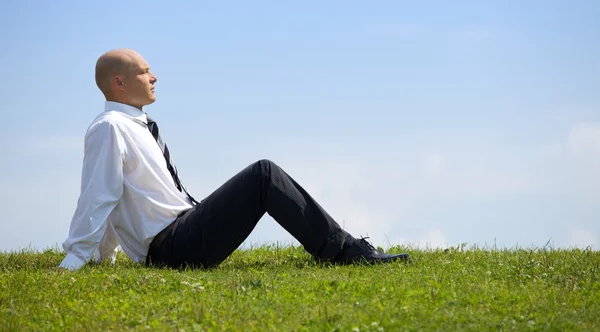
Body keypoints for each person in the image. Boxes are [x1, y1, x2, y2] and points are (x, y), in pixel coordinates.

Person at [58, 48, 410, 271]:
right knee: (263, 175)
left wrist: (105, 256)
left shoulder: (135, 125)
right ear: (118, 82)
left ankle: (343, 249)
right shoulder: (109, 127)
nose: (154, 77)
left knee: (262, 175)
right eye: (144, 71)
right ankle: (345, 252)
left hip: (183, 232)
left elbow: (119, 196)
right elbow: (99, 194)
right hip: (174, 248)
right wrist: (77, 258)